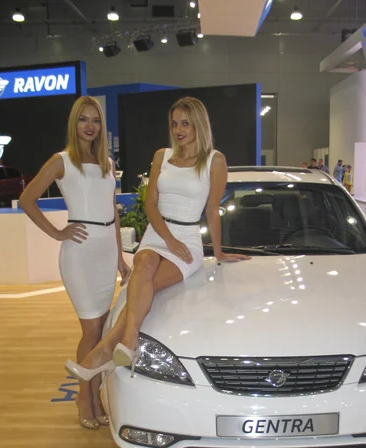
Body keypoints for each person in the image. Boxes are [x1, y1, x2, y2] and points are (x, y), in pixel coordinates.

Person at [65, 96, 250, 383]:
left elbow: (213, 211)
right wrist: (167, 239)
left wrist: (219, 252)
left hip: (187, 240)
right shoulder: (162, 156)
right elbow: (150, 204)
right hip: (157, 234)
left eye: (185, 124)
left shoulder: (215, 160)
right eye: (174, 123)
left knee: (144, 285)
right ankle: (127, 342)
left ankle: (108, 349)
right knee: (145, 263)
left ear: (199, 124)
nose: (178, 130)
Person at [18, 96, 131, 429]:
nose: (90, 126)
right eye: (83, 119)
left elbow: (111, 210)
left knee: (101, 328)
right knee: (92, 329)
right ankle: (87, 395)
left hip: (106, 251)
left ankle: (92, 393)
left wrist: (120, 256)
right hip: (79, 254)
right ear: (74, 123)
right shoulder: (61, 160)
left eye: (95, 120)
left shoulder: (107, 163)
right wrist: (56, 233)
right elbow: (27, 199)